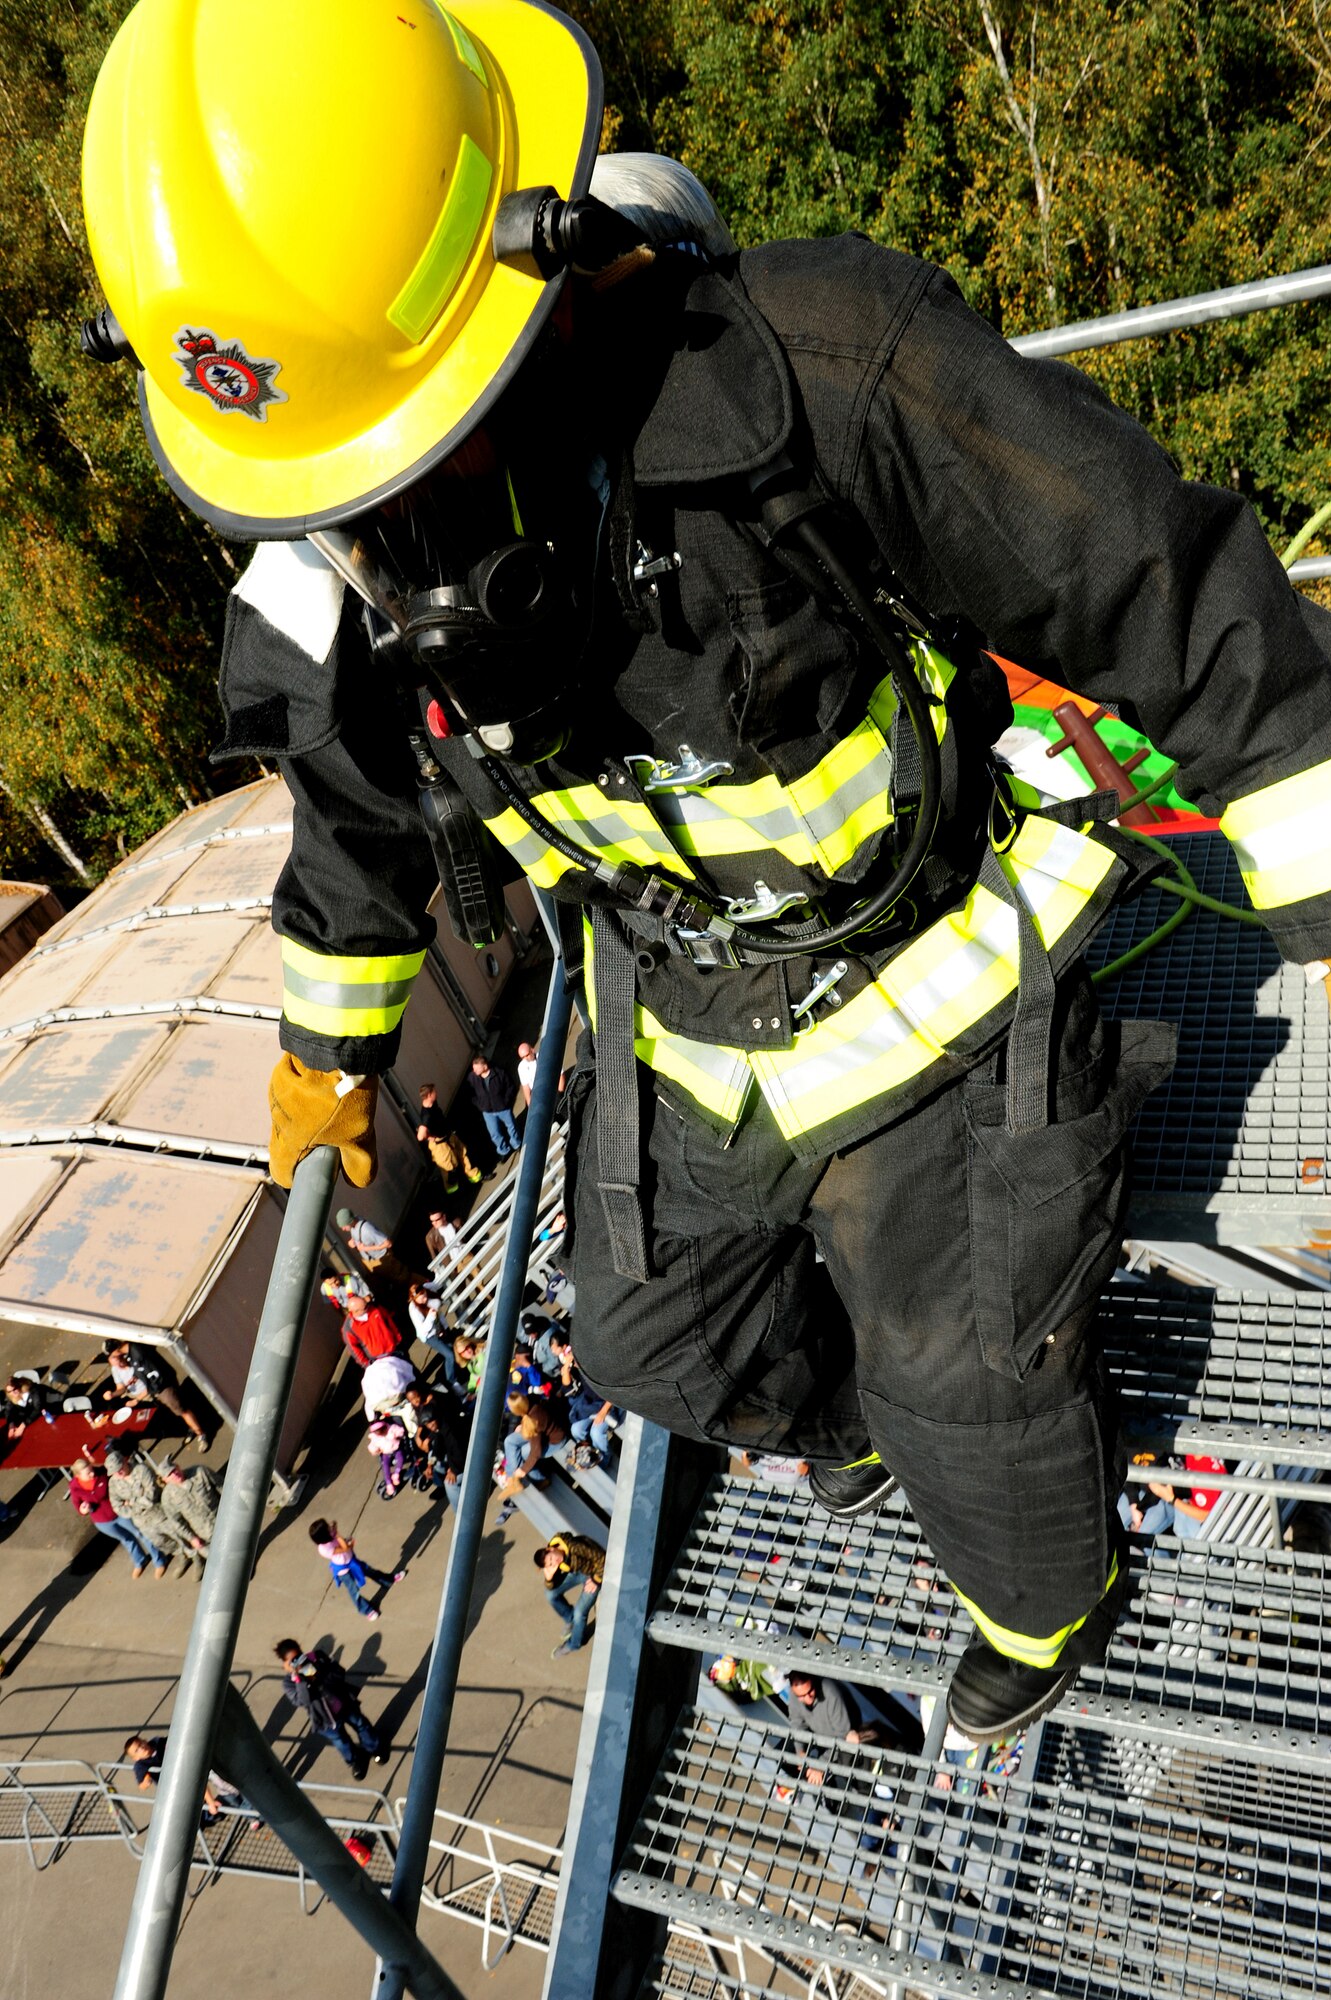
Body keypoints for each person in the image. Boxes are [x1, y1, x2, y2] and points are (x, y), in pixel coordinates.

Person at [82, 7, 1331, 1744]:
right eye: (345, 485)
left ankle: (1046, 1599)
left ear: (542, 263)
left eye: (416, 454)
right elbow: (356, 841)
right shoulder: (332, 599)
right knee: (659, 1355)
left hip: (939, 954)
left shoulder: (808, 377)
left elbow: (1159, 589)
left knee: (962, 1386)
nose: (397, 529)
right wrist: (330, 1067)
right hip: (681, 1017)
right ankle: (860, 1436)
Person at [274, 1641, 386, 1781]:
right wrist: (300, 1680)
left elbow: (339, 1673)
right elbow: (303, 1701)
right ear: (285, 1665)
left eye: (299, 1656)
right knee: (341, 1741)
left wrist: (317, 1671)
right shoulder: (289, 1683)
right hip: (325, 1719)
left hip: (344, 1704)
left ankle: (374, 1747)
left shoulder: (316, 1657)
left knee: (360, 1724)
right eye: (292, 1661)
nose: (297, 1662)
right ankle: (355, 1760)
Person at [121, 1732, 254, 1826]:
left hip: (182, 1775)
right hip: (171, 1788)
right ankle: (205, 1817)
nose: (142, 1748)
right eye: (137, 1750)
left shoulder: (156, 1742)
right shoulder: (140, 1765)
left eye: (141, 1744)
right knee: (188, 1806)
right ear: (135, 1758)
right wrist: (147, 1779)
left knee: (197, 1787)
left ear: (144, 1740)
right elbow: (142, 1786)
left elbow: (170, 1740)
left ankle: (211, 1809)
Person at [97, 1341, 209, 1451]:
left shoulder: (137, 1354)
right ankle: (190, 1426)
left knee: (181, 1410)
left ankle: (201, 1434)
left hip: (161, 1388)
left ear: (116, 1351)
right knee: (176, 1410)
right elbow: (124, 1386)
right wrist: (113, 1394)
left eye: (112, 1356)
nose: (113, 1359)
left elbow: (154, 1378)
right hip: (154, 1389)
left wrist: (137, 1399)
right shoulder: (129, 1356)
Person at [781, 1672, 881, 1791]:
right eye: (801, 1696)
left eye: (810, 1692)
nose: (808, 1699)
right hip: (819, 1734)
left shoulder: (831, 1694)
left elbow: (843, 1737)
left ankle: (847, 1796)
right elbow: (797, 1722)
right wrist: (800, 1752)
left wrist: (820, 1766)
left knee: (848, 1774)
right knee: (787, 1757)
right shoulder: (795, 1695)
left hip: (845, 1738)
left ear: (813, 1681)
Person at [69, 1456, 160, 1576]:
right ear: (78, 1476)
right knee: (126, 1539)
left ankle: (159, 1560)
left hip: (120, 1513)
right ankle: (139, 1561)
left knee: (140, 1533)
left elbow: (118, 1481)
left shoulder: (101, 1474)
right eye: (88, 1473)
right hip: (102, 1522)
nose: (92, 1474)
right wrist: (83, 1510)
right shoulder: (75, 1488)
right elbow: (78, 1507)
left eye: (91, 1470)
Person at [103, 1447, 188, 1575]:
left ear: (125, 1462)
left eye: (119, 1468)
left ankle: (195, 1555)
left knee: (178, 1534)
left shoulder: (141, 1470)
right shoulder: (113, 1483)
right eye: (114, 1472)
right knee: (161, 1542)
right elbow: (117, 1507)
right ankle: (182, 1555)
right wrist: (135, 1506)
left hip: (159, 1514)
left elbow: (151, 1495)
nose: (118, 1473)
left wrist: (131, 1503)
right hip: (142, 1522)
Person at [545, 1330, 623, 1459]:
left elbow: (614, 1389)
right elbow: (567, 1388)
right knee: (576, 1429)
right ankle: (590, 1453)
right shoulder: (569, 1364)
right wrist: (566, 1371)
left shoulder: (594, 1363)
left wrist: (603, 1412)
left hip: (609, 1403)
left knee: (596, 1433)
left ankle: (604, 1458)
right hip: (593, 1402)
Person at [308, 1518, 404, 1620]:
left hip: (352, 1561)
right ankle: (366, 1610)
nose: (329, 1527)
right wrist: (337, 1535)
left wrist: (348, 1543)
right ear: (323, 1534)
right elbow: (344, 1548)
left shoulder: (329, 1534)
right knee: (354, 1591)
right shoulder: (324, 1549)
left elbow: (345, 1545)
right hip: (343, 1571)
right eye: (327, 1527)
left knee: (371, 1571)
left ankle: (389, 1580)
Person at [535, 1534, 604, 1658]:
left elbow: (603, 1559)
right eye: (550, 1563)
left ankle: (574, 1644)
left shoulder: (575, 1548)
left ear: (550, 1549)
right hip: (579, 1571)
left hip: (594, 1573)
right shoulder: (558, 1555)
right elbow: (551, 1586)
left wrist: (596, 1580)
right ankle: (570, 1619)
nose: (554, 1562)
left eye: (551, 1558)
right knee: (550, 1594)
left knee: (579, 1613)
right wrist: (549, 1578)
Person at [416, 1084, 482, 1192]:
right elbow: (420, 1136)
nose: (436, 1093)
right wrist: (430, 1137)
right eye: (434, 1092)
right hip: (440, 1144)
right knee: (449, 1167)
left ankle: (475, 1177)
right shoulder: (426, 1115)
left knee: (463, 1153)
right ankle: (453, 1190)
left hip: (449, 1135)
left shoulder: (433, 1104)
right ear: (429, 1095)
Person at [334, 1210, 419, 1290]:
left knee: (404, 1278)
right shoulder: (354, 1225)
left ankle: (422, 1286)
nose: (343, 1229)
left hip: (383, 1259)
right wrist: (352, 1241)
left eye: (344, 1226)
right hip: (371, 1260)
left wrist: (366, 1248)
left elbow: (388, 1243)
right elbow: (358, 1237)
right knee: (392, 1282)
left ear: (350, 1221)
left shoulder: (367, 1229)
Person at [159, 1463, 219, 1567]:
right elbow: (177, 1523)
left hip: (223, 1521)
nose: (174, 1475)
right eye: (169, 1475)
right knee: (219, 1563)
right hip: (205, 1535)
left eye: (174, 1470)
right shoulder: (168, 1498)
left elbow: (221, 1486)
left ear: (178, 1467)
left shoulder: (199, 1472)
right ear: (165, 1480)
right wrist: (192, 1538)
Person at [467, 1056, 521, 1162]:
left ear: (485, 1066)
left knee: (511, 1126)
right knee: (494, 1133)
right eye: (474, 1069)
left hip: (502, 1107)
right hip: (487, 1111)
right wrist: (480, 1104)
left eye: (477, 1068)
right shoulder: (472, 1078)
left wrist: (506, 1101)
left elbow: (510, 1087)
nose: (474, 1071)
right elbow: (470, 1094)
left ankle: (516, 1144)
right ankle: (503, 1150)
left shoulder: (499, 1074)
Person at [338, 1291, 406, 1371]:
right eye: (365, 1307)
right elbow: (354, 1349)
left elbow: (388, 1320)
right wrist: (366, 1364)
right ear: (355, 1311)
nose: (368, 1307)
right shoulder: (348, 1328)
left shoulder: (375, 1308)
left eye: (366, 1304)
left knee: (410, 1373)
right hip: (378, 1360)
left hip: (395, 1350)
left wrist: (398, 1337)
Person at [516, 1042, 539, 1109]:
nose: (525, 1059)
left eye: (527, 1055)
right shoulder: (521, 1067)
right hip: (535, 1092)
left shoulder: (541, 1057)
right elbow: (525, 1086)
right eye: (522, 1057)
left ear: (532, 1050)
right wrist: (530, 1104)